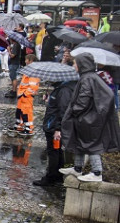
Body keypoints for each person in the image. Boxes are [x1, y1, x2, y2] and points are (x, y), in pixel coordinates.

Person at [60, 53, 120, 182]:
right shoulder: (90, 77)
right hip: (88, 117)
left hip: (88, 119)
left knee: (91, 145)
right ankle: (77, 168)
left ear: (82, 64)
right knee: (80, 142)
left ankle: (97, 172)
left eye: (75, 63)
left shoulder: (87, 78)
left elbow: (84, 99)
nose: (74, 65)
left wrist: (75, 111)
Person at [33, 72, 77, 187]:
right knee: (57, 150)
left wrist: (58, 128)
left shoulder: (63, 90)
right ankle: (57, 175)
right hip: (53, 124)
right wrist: (49, 99)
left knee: (53, 151)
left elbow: (63, 110)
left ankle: (51, 177)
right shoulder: (59, 89)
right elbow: (57, 104)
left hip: (53, 126)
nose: (48, 79)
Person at [14, 54, 39, 136]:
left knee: (27, 113)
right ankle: (20, 126)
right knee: (20, 112)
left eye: (26, 60)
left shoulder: (33, 72)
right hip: (22, 95)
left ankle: (29, 129)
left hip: (26, 96)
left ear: (31, 61)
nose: (25, 61)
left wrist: (24, 94)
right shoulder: (29, 70)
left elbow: (33, 87)